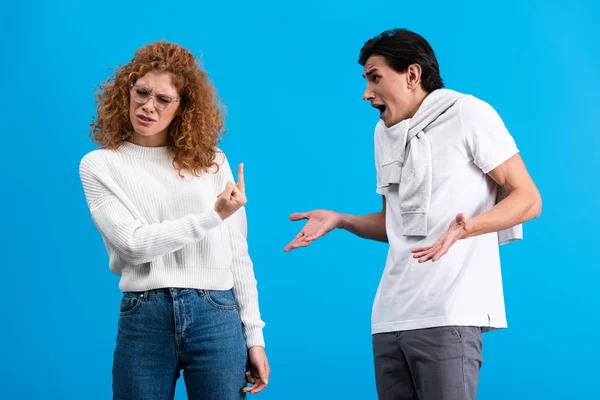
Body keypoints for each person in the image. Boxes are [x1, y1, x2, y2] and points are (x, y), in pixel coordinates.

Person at [285, 28, 541, 400]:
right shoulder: (384, 134)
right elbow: (395, 225)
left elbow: (529, 199)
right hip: (389, 317)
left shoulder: (467, 113)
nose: (366, 94)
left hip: (448, 313)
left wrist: (469, 228)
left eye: (375, 78)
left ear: (412, 75)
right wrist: (340, 220)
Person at [79, 41, 269, 400]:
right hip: (144, 314)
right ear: (127, 92)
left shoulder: (212, 161)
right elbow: (133, 245)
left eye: (163, 99)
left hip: (216, 312)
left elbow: (237, 255)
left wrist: (254, 338)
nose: (148, 106)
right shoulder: (100, 165)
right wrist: (213, 216)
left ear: (182, 108)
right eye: (142, 92)